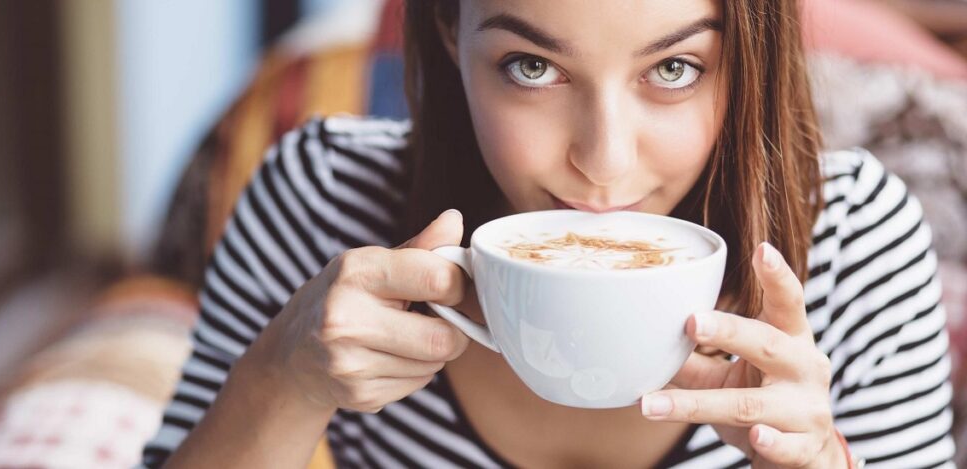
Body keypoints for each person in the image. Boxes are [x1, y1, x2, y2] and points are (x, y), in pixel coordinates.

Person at [141, 0, 956, 467]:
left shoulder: (854, 243)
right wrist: (284, 380)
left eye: (673, 69)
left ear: (748, 53)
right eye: (532, 67)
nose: (603, 162)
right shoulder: (320, 202)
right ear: (450, 36)